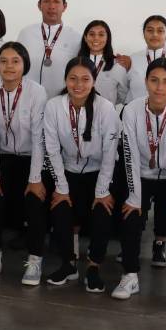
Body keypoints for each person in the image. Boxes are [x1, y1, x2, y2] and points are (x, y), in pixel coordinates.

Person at [113, 58, 166, 302]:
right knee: (131, 216)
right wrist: (135, 198)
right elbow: (129, 153)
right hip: (140, 174)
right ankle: (130, 275)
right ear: (145, 82)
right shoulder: (132, 109)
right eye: (154, 81)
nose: (160, 87)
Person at [43, 57, 121, 287]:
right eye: (73, 79)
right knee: (60, 207)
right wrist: (61, 187)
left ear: (94, 81)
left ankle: (94, 266)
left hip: (100, 171)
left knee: (102, 210)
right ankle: (68, 263)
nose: (78, 85)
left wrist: (102, 191)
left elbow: (110, 153)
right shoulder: (54, 106)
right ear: (65, 80)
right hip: (67, 169)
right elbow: (52, 149)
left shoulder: (105, 108)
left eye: (85, 79)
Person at [0, 41, 50, 284]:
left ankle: (35, 259)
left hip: (33, 158)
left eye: (15, 61)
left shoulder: (36, 91)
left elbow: (40, 137)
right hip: (3, 157)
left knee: (34, 201)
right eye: (4, 61)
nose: (9, 66)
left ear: (24, 64)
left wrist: (35, 179)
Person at [16, 0, 82, 98]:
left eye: (56, 1)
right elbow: (14, 62)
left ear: (64, 6)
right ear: (39, 5)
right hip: (27, 99)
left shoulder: (76, 37)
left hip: (62, 101)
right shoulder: (25, 33)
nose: (51, 6)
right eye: (46, 1)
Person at [125, 15, 166, 103]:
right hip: (136, 113)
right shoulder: (132, 59)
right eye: (150, 30)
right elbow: (122, 90)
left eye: (160, 31)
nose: (154, 34)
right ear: (144, 33)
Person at [76, 20, 129, 105]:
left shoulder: (117, 65)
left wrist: (108, 102)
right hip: (79, 114)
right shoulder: (76, 64)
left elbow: (123, 95)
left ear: (107, 38)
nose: (96, 38)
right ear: (85, 38)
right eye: (92, 34)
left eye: (101, 35)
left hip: (107, 115)